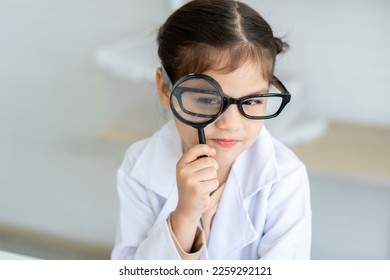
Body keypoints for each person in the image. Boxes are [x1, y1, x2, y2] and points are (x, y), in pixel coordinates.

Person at [111, 0, 311, 260]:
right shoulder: (139, 166)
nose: (230, 123)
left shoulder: (285, 176)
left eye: (251, 101)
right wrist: (184, 216)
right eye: (207, 100)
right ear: (165, 89)